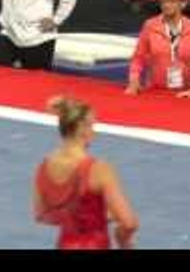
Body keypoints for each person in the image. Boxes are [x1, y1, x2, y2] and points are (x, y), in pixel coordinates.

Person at [34, 95, 139, 250]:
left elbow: (42, 214)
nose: (94, 133)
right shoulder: (98, 169)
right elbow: (129, 223)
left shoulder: (44, 167)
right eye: (92, 126)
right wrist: (122, 239)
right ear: (82, 128)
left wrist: (82, 217)